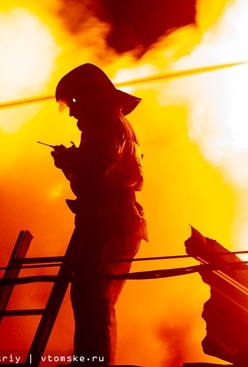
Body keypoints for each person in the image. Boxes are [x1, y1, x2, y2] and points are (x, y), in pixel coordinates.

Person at [50, 63, 148, 364]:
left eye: (74, 103)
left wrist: (70, 160)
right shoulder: (116, 122)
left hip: (108, 219)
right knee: (95, 299)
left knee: (93, 300)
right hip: (118, 219)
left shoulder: (102, 122)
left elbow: (98, 169)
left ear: (89, 96)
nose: (72, 112)